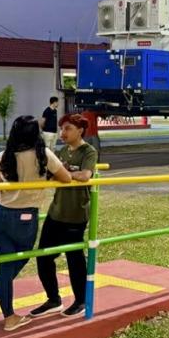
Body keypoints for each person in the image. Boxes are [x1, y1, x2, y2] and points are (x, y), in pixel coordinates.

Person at [0, 115, 71, 332]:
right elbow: (67, 178)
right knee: (14, 263)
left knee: (7, 264)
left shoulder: (2, 157)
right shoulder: (44, 155)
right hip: (24, 218)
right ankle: (8, 317)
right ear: (36, 134)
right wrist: (46, 178)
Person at [31, 114, 98, 318]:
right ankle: (53, 299)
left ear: (80, 130)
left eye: (68, 128)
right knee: (43, 256)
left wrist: (66, 174)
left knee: (74, 258)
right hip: (56, 211)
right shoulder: (61, 151)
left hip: (76, 213)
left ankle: (81, 301)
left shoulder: (88, 151)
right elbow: (51, 174)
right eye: (62, 129)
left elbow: (85, 175)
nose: (63, 133)